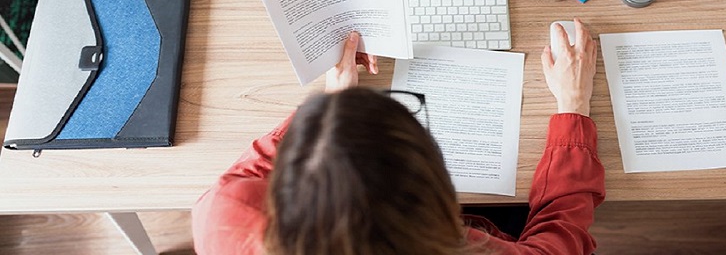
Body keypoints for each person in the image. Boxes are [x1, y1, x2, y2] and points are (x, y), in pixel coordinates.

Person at [192, 19, 604, 254]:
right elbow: (559, 244)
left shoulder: (226, 213)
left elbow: (258, 166)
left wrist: (334, 108)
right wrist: (573, 106)